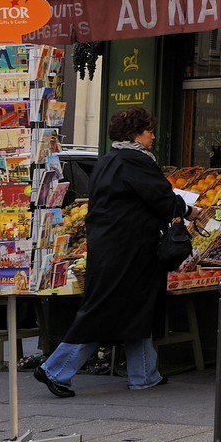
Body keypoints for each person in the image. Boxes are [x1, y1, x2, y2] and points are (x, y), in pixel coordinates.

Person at [33, 108, 187, 397]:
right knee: (103, 312)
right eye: (148, 130)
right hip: (130, 250)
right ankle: (55, 369)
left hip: (110, 248)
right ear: (134, 133)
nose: (153, 135)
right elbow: (161, 199)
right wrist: (187, 208)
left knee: (136, 308)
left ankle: (144, 374)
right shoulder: (136, 162)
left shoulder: (108, 160)